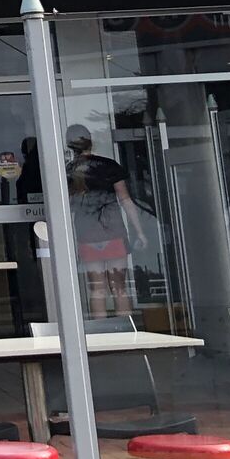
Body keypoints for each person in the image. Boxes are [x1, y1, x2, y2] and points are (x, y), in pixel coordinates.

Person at [66, 124, 144, 317]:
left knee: (97, 289)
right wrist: (140, 231)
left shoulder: (69, 171)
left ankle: (100, 332)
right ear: (90, 142)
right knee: (119, 288)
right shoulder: (109, 166)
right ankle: (126, 330)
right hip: (113, 230)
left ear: (69, 145)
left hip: (86, 233)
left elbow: (67, 206)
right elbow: (125, 200)